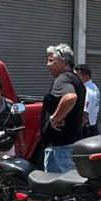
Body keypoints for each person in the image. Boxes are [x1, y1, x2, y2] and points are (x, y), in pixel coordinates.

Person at [42, 44, 86, 173]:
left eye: (51, 61)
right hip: (70, 145)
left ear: (62, 62)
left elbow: (70, 97)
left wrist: (54, 119)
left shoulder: (63, 79)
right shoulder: (76, 79)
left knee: (57, 188)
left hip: (60, 149)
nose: (48, 64)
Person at [75, 63, 101, 138]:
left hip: (87, 130)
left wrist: (77, 132)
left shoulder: (87, 91)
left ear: (86, 77)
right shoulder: (93, 87)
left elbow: (85, 113)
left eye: (77, 76)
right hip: (92, 126)